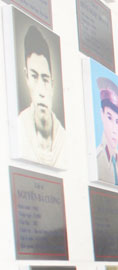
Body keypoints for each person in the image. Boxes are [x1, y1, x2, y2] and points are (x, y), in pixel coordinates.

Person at [18, 25, 66, 168]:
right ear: (26, 77)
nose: (41, 91)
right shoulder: (19, 128)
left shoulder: (64, 140)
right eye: (34, 77)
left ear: (52, 84)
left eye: (45, 79)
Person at [95, 77, 118, 187]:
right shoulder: (96, 160)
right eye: (109, 118)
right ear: (102, 115)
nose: (114, 129)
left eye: (117, 121)